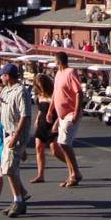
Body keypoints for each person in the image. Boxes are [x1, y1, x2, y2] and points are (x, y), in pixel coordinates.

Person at [0, 63, 32, 217]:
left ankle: (18, 201)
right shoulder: (5, 90)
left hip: (15, 135)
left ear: (8, 76)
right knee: (8, 168)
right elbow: (1, 109)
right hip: (6, 133)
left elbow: (24, 116)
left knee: (9, 168)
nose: (0, 77)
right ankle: (19, 197)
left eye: (2, 75)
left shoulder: (21, 92)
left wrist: (16, 137)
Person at [48, 52, 83, 188]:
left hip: (71, 113)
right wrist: (51, 111)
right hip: (61, 115)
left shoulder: (70, 72)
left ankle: (75, 173)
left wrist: (76, 112)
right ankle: (72, 173)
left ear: (59, 62)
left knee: (63, 142)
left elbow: (79, 92)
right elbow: (55, 94)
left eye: (55, 61)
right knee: (62, 143)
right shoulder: (58, 75)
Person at [30, 73, 66, 184]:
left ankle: (72, 166)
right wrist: (37, 119)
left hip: (53, 125)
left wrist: (56, 123)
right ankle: (40, 175)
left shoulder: (54, 94)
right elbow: (41, 109)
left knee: (55, 150)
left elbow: (61, 112)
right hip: (41, 124)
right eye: (38, 85)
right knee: (38, 148)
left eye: (41, 85)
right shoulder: (39, 95)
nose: (40, 87)